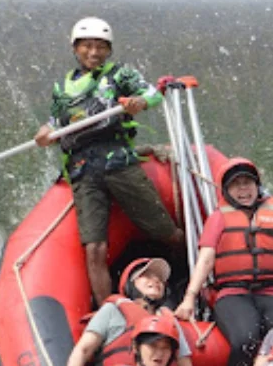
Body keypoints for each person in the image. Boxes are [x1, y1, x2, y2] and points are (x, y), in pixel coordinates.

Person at [34, 17, 182, 305]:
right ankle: (110, 312)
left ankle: (187, 280)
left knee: (166, 232)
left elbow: (151, 94)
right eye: (87, 46)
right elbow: (53, 124)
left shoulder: (119, 75)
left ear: (108, 50)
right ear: (76, 49)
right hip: (82, 172)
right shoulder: (62, 88)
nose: (93, 53)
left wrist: (140, 102)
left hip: (118, 163)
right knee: (94, 248)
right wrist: (44, 134)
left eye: (100, 47)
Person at [175, 158, 273, 366]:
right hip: (233, 293)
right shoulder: (218, 218)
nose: (243, 189)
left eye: (248, 183)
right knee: (246, 339)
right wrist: (188, 299)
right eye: (237, 184)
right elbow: (205, 260)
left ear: (257, 186)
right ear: (226, 190)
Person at [52, 258, 199, 366]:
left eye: (159, 279)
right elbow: (84, 349)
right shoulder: (112, 311)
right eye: (147, 275)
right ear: (130, 284)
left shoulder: (170, 321)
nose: (156, 280)